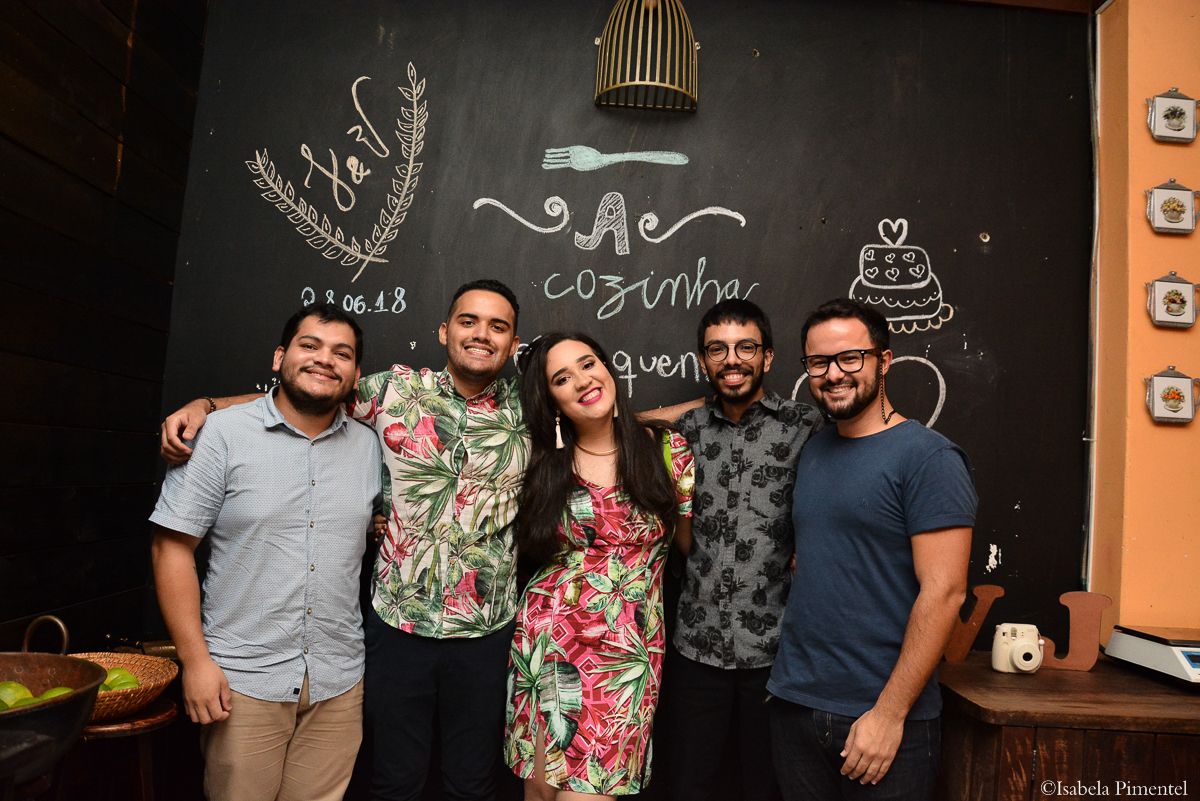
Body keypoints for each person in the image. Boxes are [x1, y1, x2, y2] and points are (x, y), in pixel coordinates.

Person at [160, 279, 528, 801]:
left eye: (498, 326)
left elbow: (598, 412)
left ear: (514, 344)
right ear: (445, 330)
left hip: (487, 629)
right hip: (397, 623)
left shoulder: (534, 407)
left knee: (473, 782)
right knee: (394, 781)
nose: (481, 334)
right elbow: (305, 391)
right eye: (468, 321)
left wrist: (655, 420)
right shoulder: (393, 391)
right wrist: (207, 406)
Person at [150, 302, 382, 801]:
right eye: (309, 345)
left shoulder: (370, 447)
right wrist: (196, 663)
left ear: (356, 374)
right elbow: (171, 548)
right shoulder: (221, 436)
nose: (325, 360)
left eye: (341, 353)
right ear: (279, 357)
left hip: (338, 681)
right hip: (242, 680)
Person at [768, 299, 976, 800]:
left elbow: (945, 592)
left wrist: (889, 714)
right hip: (795, 705)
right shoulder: (814, 450)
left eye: (849, 358)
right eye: (818, 362)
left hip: (882, 718)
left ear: (883, 361)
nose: (833, 374)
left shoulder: (928, 458)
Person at [504, 333, 695, 799]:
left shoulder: (667, 451)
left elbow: (687, 545)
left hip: (625, 651)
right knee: (540, 791)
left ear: (607, 368)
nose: (582, 380)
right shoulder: (543, 462)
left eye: (588, 364)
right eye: (562, 378)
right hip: (547, 642)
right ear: (551, 401)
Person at [659, 299, 823, 801]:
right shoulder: (686, 429)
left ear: (767, 357)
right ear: (703, 361)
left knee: (767, 786)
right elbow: (620, 424)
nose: (732, 360)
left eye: (745, 348)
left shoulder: (805, 426)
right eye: (718, 350)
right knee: (688, 784)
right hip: (696, 644)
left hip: (777, 649)